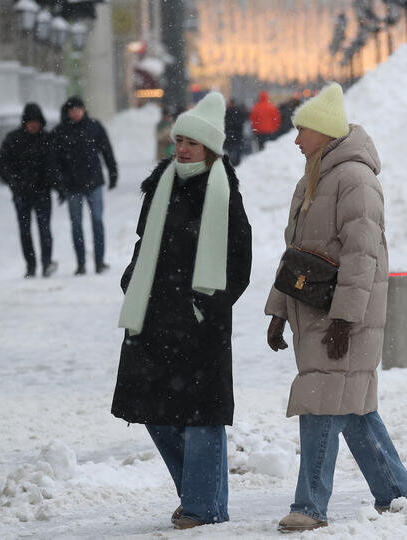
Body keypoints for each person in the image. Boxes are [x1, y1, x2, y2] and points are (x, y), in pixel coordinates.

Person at [264, 82, 407, 533]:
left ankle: (310, 505)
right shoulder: (314, 177)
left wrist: (345, 319)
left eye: (302, 131)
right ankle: (397, 491)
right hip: (315, 311)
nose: (296, 140)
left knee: (321, 403)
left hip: (340, 315)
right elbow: (296, 253)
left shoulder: (355, 179)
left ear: (325, 133)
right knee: (350, 405)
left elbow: (362, 255)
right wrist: (279, 310)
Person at [112, 92, 252, 530]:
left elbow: (239, 259)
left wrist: (211, 304)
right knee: (155, 411)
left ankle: (202, 506)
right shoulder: (161, 184)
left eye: (192, 141)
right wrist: (132, 277)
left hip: (199, 319)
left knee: (203, 416)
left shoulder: (223, 190)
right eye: (180, 140)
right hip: (154, 315)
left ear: (210, 147)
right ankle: (201, 495)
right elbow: (143, 241)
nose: (183, 148)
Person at [52, 96, 119, 275]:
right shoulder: (60, 132)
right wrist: (59, 184)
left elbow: (106, 150)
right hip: (72, 185)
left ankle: (99, 261)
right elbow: (55, 161)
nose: (75, 112)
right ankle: (81, 263)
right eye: (72, 109)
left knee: (97, 221)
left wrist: (113, 172)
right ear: (67, 112)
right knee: (76, 225)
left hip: (94, 182)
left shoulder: (94, 127)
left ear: (83, 110)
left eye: (78, 109)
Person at [0, 103, 61, 278]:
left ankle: (46, 263)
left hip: (42, 193)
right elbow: (2, 165)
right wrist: (13, 182)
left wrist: (57, 186)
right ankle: (31, 266)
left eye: (36, 122)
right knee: (25, 231)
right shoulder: (12, 139)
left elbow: (54, 166)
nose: (33, 125)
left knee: (44, 229)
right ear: (24, 122)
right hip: (21, 194)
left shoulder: (47, 140)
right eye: (30, 122)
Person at [224, 98, 248, 166]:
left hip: (229, 134)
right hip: (237, 134)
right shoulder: (238, 111)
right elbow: (241, 122)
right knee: (236, 149)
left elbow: (225, 123)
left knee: (230, 149)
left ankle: (231, 162)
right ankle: (236, 162)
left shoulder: (226, 112)